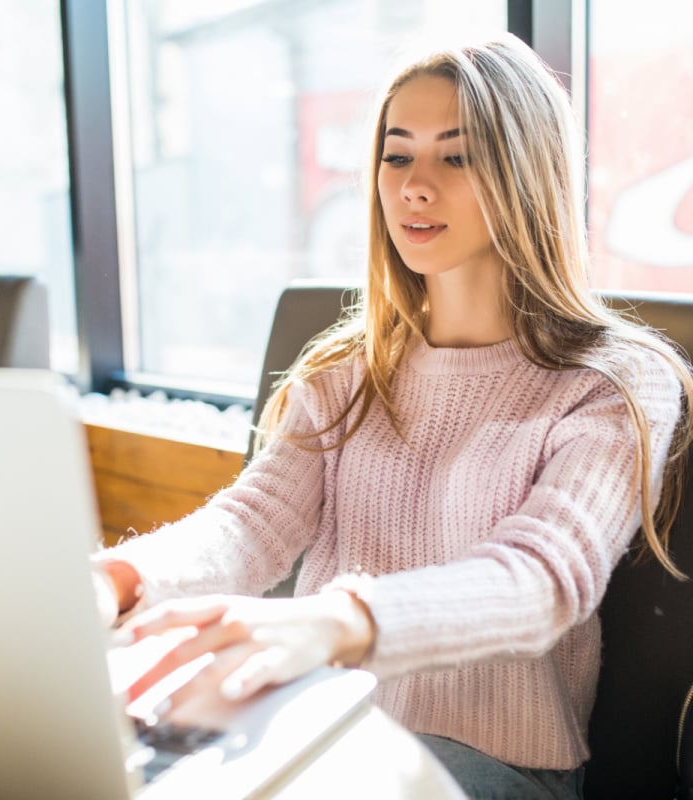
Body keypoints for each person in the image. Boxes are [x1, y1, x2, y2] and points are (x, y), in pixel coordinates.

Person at [93, 34, 693, 799]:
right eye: (396, 154)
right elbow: (251, 524)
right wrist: (120, 577)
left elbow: (544, 579)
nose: (415, 185)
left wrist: (339, 624)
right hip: (323, 729)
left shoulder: (613, 380)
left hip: (498, 771)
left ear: (526, 174)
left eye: (457, 156)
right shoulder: (347, 371)